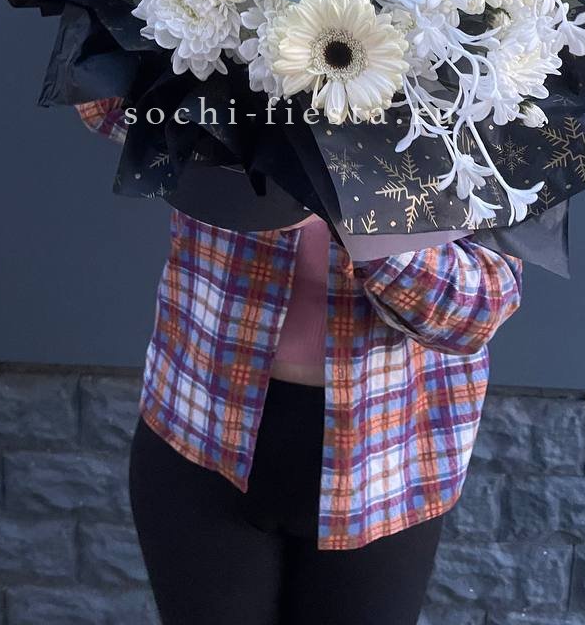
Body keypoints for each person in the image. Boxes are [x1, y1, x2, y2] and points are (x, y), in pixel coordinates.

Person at [76, 97, 523, 625]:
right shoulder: (238, 56)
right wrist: (209, 84)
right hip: (198, 422)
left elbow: (476, 311)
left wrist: (347, 205)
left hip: (385, 462)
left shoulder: (483, 85)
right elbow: (104, 107)